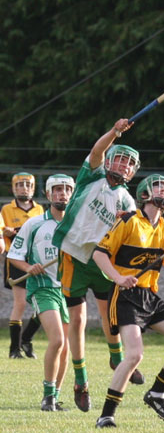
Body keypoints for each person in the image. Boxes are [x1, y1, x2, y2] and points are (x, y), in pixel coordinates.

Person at [92, 174, 164, 429]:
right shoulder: (129, 220)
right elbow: (99, 255)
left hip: (148, 296)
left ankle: (157, 392)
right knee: (134, 355)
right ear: (145, 193)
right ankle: (106, 415)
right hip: (124, 297)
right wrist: (119, 277)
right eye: (159, 186)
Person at [51, 118, 144, 413]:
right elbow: (97, 150)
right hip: (73, 256)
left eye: (129, 163)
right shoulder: (91, 176)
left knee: (109, 317)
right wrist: (115, 132)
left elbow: (129, 239)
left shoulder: (128, 202)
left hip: (103, 261)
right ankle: (80, 380)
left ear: (133, 171)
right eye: (119, 158)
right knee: (77, 321)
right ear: (110, 161)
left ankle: (116, 357)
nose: (123, 164)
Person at [7, 174, 75, 411]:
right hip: (42, 287)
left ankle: (55, 397)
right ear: (48, 195)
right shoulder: (34, 224)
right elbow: (14, 255)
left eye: (67, 189)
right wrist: (29, 267)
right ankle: (47, 398)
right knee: (57, 340)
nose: (62, 194)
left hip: (68, 289)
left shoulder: (77, 225)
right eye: (56, 190)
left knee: (67, 346)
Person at [1, 172, 44, 359]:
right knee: (20, 303)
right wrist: (6, 232)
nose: (24, 188)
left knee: (42, 305)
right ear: (13, 188)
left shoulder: (40, 209)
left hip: (37, 260)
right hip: (17, 260)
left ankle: (26, 339)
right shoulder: (6, 209)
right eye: (19, 185)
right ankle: (14, 349)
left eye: (27, 185)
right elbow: (2, 229)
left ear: (33, 188)